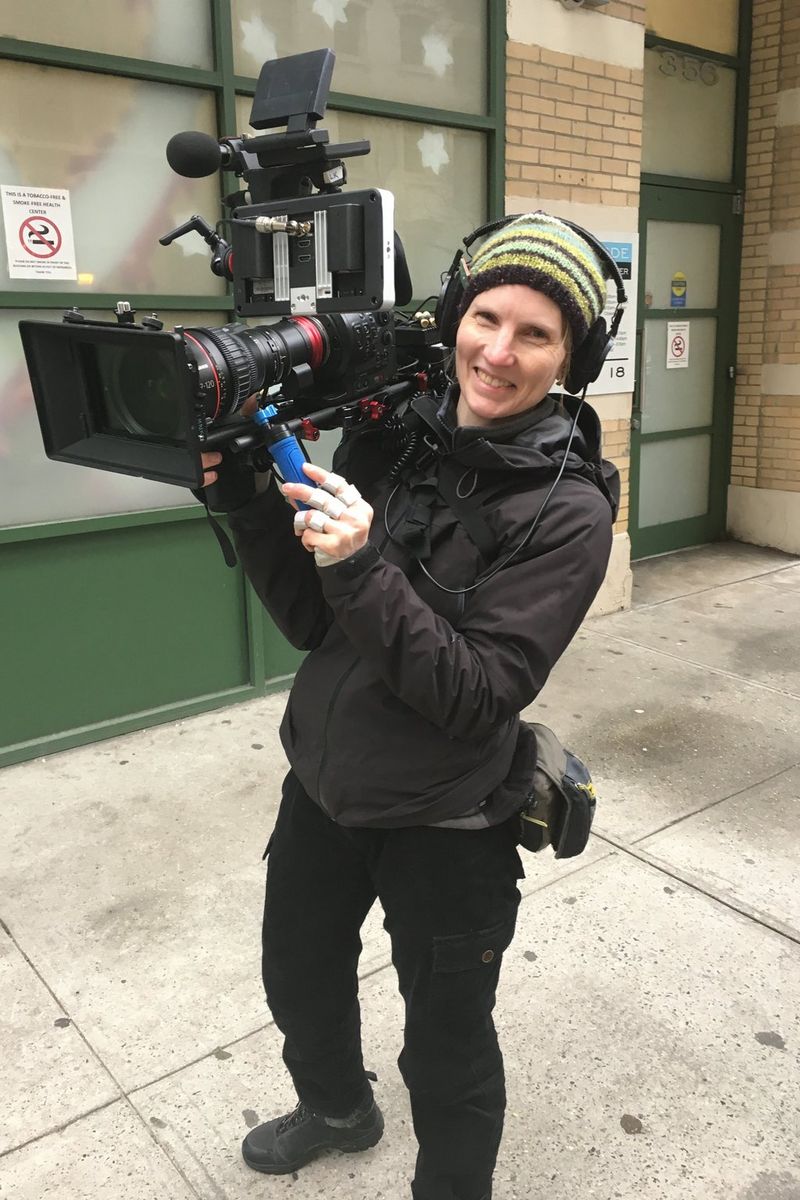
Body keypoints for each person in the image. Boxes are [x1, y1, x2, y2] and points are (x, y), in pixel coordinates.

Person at [200, 211, 620, 1200]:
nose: (497, 351)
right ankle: (339, 1107)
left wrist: (361, 565)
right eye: (485, 318)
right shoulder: (394, 438)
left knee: (445, 1045)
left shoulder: (569, 510)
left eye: (534, 334)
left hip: (447, 818)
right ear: (453, 315)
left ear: (571, 358)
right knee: (297, 978)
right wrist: (252, 503)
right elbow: (313, 617)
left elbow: (476, 694)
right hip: (325, 785)